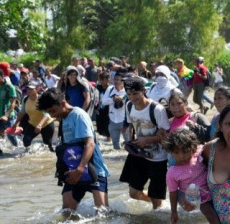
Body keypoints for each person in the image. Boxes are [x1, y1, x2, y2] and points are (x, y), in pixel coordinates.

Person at [36, 88, 110, 212]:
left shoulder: (79, 115)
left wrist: (79, 169)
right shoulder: (63, 118)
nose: (53, 115)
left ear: (63, 104)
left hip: (93, 169)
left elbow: (90, 144)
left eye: (53, 111)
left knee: (103, 213)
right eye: (50, 113)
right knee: (67, 212)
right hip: (73, 171)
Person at [120, 76, 172, 209]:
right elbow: (132, 126)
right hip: (139, 154)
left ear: (143, 91)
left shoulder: (157, 109)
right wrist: (130, 141)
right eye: (129, 94)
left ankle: (158, 209)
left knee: (156, 199)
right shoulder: (129, 105)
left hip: (158, 158)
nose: (132, 97)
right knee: (133, 193)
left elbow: (166, 135)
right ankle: (159, 203)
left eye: (135, 93)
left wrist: (148, 140)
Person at [12, 80, 55, 151]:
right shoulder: (25, 99)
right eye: (28, 88)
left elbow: (47, 113)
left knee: (48, 145)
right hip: (33, 124)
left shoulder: (42, 99)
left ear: (37, 89)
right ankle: (29, 156)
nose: (29, 90)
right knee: (26, 141)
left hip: (46, 124)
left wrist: (40, 125)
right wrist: (16, 123)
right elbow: (22, 112)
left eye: (31, 89)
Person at [100, 71, 128, 149]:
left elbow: (131, 101)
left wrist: (122, 98)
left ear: (123, 81)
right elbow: (104, 101)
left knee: (129, 144)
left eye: (117, 80)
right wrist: (113, 99)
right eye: (114, 79)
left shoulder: (127, 90)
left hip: (125, 121)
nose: (115, 81)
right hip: (112, 120)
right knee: (116, 146)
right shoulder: (110, 89)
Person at [0, 70, 20, 151]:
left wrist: (6, 115)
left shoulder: (9, 87)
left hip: (8, 116)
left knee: (10, 135)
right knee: (1, 134)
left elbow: (13, 103)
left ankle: (18, 150)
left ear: (2, 76)